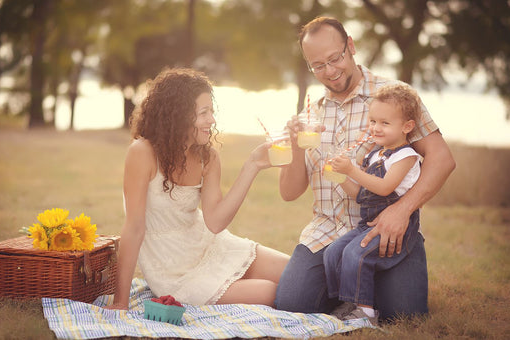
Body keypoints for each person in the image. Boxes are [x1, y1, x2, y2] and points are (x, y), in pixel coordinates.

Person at [275, 16, 455, 320]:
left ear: (351, 46)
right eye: (318, 65)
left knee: (403, 316)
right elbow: (289, 192)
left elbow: (442, 159)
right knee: (291, 305)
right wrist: (294, 145)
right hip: (326, 235)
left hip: (385, 233)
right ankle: (346, 294)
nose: (330, 71)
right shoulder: (312, 113)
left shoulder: (394, 96)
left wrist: (401, 211)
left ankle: (358, 294)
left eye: (335, 58)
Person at [105, 68, 289, 310]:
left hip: (211, 246)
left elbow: (215, 222)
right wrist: (120, 301)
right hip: (177, 273)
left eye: (211, 111)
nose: (212, 120)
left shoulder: (208, 156)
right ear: (178, 116)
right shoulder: (142, 153)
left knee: (295, 273)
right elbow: (134, 229)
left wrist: (252, 165)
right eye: (204, 113)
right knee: (271, 292)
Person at [323, 84, 424, 326]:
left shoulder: (405, 156)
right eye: (372, 121)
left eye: (384, 123)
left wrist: (352, 169)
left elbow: (384, 188)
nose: (375, 128)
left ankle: (365, 313)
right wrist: (339, 176)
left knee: (355, 254)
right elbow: (362, 194)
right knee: (332, 253)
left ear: (407, 127)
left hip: (398, 226)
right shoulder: (375, 155)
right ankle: (348, 302)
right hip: (368, 223)